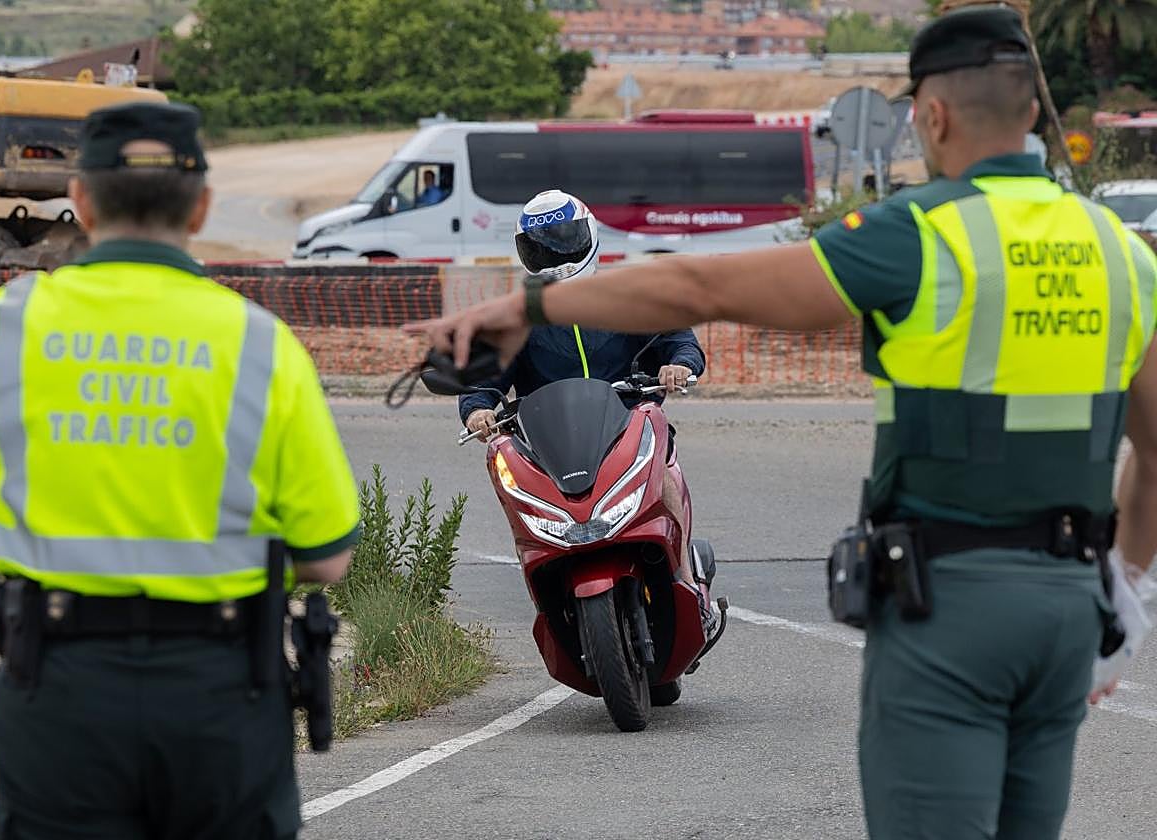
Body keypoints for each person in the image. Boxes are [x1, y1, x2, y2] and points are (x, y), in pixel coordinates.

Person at [406, 8, 1157, 840]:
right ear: (1032, 113)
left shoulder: (920, 235)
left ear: (932, 116)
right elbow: (1155, 448)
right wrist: (1126, 585)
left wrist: (525, 304)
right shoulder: (1121, 251)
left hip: (951, 605)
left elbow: (700, 289)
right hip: (1068, 604)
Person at [0, 102, 361, 839]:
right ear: (202, 207)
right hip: (219, 696)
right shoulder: (262, 348)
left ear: (79, 199)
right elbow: (328, 558)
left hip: (56, 692)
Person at [463, 189, 715, 629]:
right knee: (513, 479)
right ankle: (549, 585)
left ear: (589, 235)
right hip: (551, 441)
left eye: (564, 239)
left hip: (629, 423)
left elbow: (677, 338)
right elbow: (485, 375)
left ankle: (687, 582)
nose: (556, 253)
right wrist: (477, 408)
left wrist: (679, 363)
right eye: (543, 245)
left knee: (666, 473)